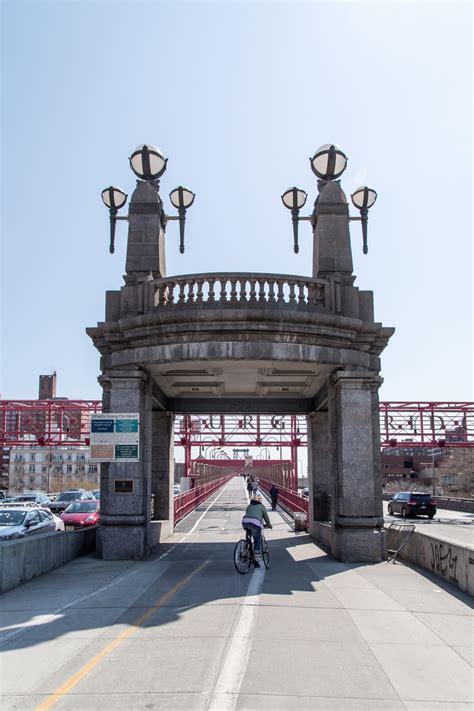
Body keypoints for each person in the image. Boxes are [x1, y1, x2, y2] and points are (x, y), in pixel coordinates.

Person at [241, 493, 272, 566]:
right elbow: (266, 518)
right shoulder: (261, 506)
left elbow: (249, 514)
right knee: (257, 540)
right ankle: (256, 560)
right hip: (255, 524)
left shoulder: (249, 506)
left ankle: (246, 549)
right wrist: (269, 525)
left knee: (248, 535)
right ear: (260, 501)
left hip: (245, 522)